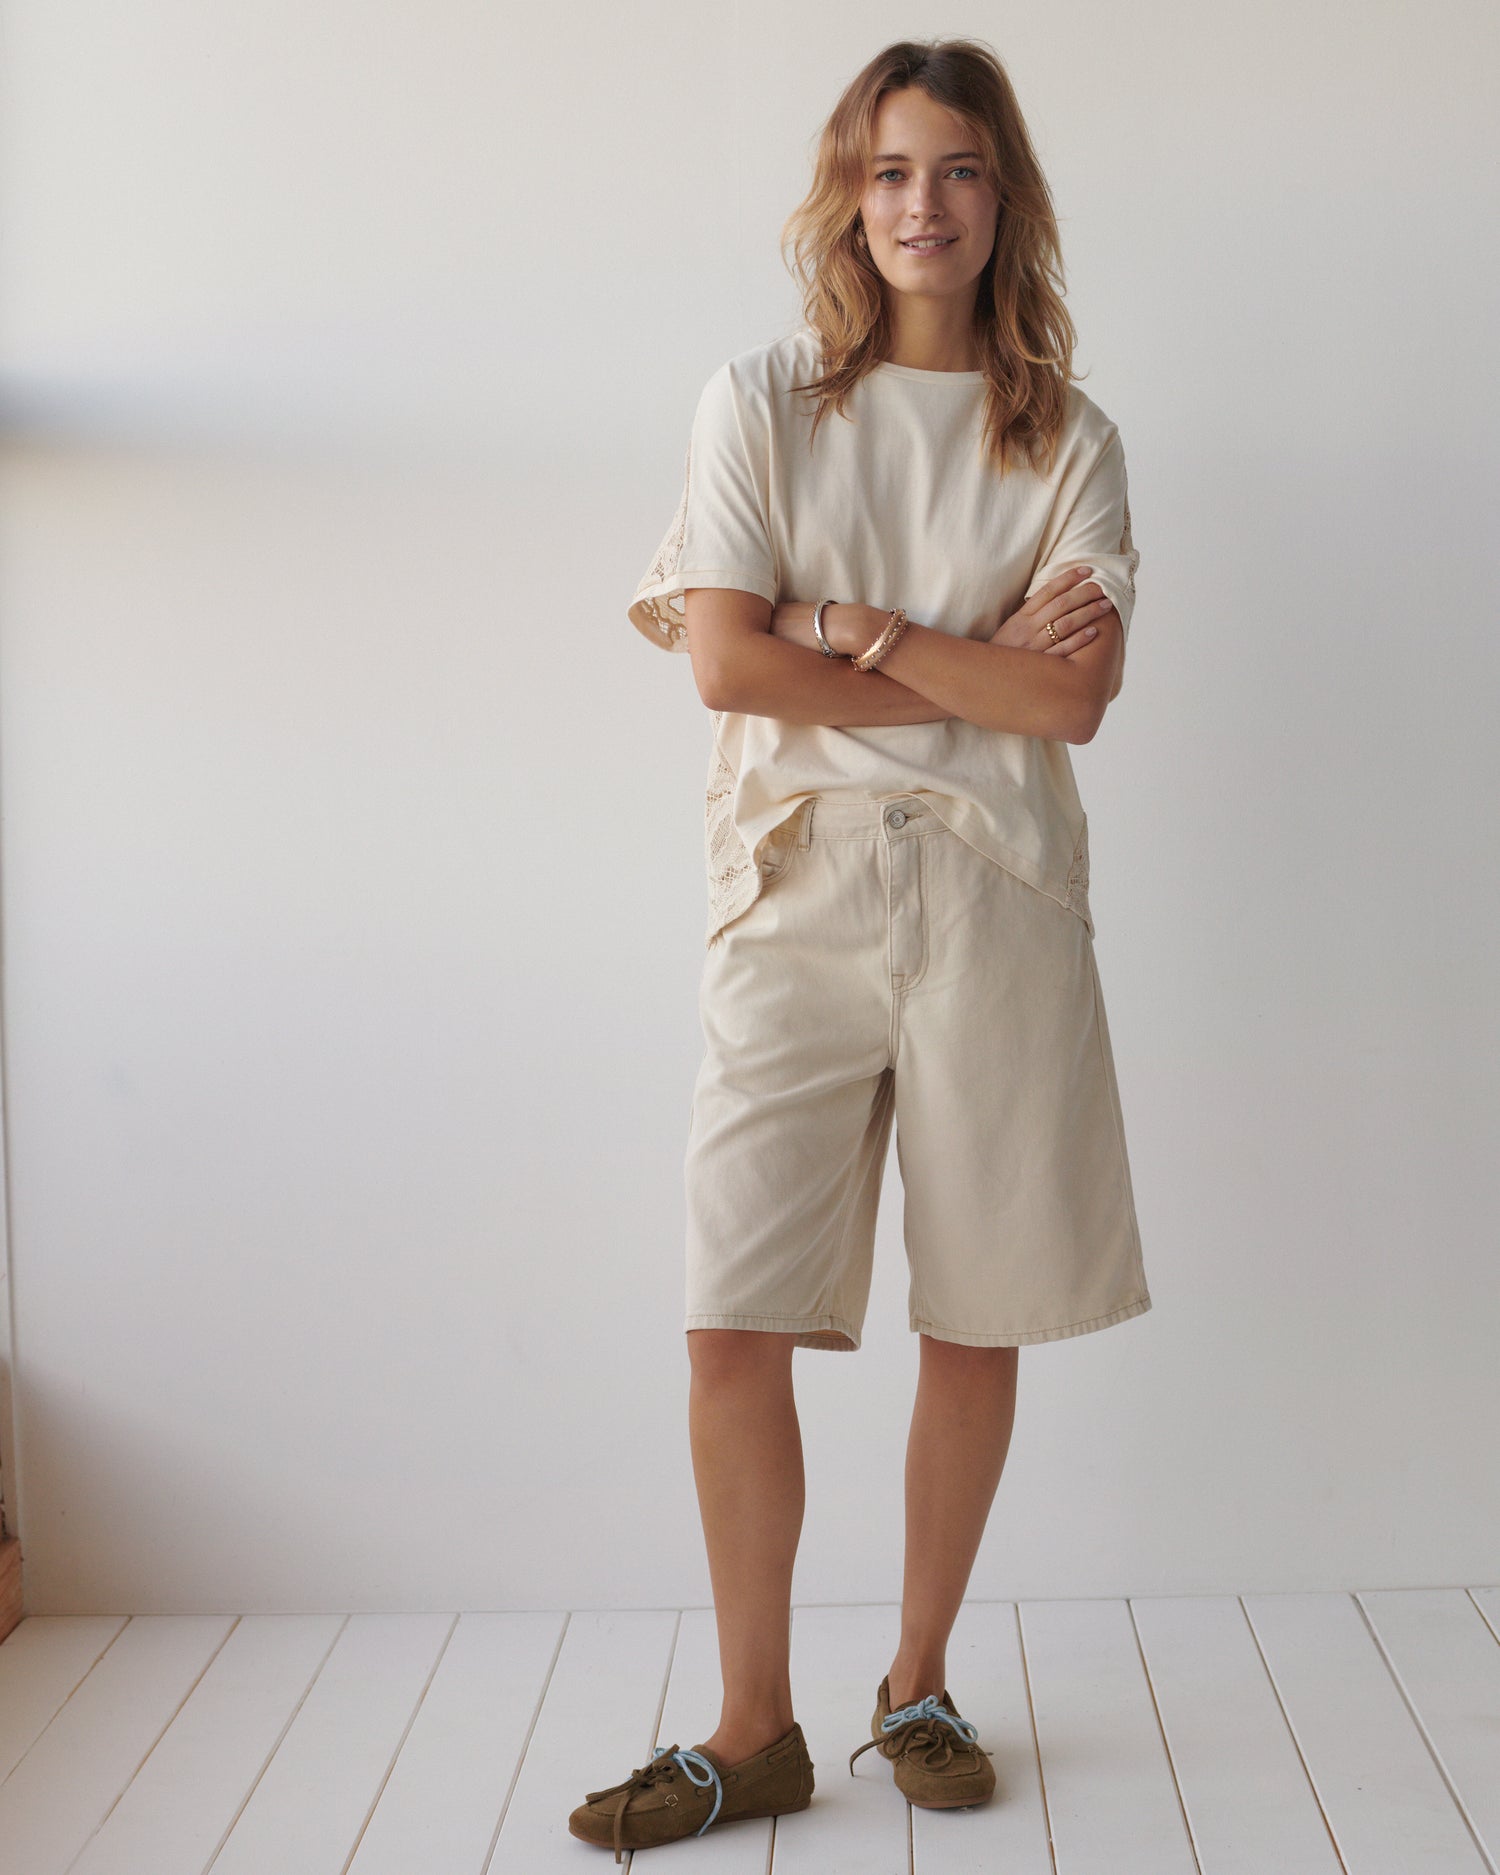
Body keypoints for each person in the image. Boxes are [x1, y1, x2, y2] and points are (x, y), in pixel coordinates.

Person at [569, 35, 1151, 1862]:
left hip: (998, 897)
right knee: (731, 1312)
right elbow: (725, 663)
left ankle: (916, 1683)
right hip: (795, 889)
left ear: (1004, 197)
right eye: (892, 169)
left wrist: (863, 630)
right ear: (850, 193)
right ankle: (753, 1730)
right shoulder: (759, 401)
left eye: (960, 168)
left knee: (976, 1311)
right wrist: (960, 662)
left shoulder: (1066, 437)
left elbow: (1069, 705)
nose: (924, 204)